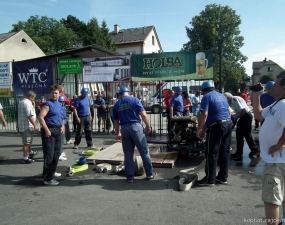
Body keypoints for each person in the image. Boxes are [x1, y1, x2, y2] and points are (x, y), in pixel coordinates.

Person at [252, 73, 285, 225]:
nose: (271, 89)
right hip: (276, 160)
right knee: (280, 196)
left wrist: (278, 145)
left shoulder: (284, 105)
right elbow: (258, 116)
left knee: (271, 199)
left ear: (283, 89)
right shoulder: (276, 104)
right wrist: (257, 96)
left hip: (278, 161)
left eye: (275, 86)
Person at [113, 86, 156, 183]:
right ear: (128, 92)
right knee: (144, 151)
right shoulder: (134, 100)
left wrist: (118, 133)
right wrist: (148, 126)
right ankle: (150, 173)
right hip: (135, 127)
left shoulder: (116, 105)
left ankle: (130, 177)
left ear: (120, 94)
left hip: (124, 128)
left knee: (128, 154)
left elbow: (115, 122)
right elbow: (143, 114)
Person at [196, 81, 232, 186]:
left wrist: (199, 130)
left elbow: (204, 114)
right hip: (228, 123)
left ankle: (209, 179)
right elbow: (228, 112)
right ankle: (223, 177)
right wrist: (204, 129)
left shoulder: (206, 97)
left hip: (217, 126)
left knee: (211, 153)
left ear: (204, 91)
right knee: (224, 152)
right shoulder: (222, 96)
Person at [38, 84, 64, 186]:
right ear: (50, 94)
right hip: (49, 131)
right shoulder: (47, 104)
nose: (54, 94)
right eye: (53, 93)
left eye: (56, 93)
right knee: (49, 155)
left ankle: (51, 172)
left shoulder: (60, 105)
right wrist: (47, 130)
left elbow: (61, 118)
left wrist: (62, 126)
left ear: (59, 94)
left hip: (58, 131)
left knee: (56, 155)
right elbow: (41, 117)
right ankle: (47, 178)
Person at [223, 92, 259, 160]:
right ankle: (240, 152)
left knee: (246, 134)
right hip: (243, 116)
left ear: (228, 98)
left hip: (246, 116)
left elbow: (243, 110)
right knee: (239, 134)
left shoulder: (235, 99)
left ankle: (253, 150)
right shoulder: (231, 102)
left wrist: (236, 117)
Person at [17, 91, 39, 163]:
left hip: (23, 125)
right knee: (26, 142)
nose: (34, 100)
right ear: (30, 97)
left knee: (28, 141)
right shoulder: (27, 103)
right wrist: (35, 125)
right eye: (34, 98)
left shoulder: (22, 101)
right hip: (27, 125)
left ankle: (30, 152)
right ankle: (25, 158)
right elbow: (29, 115)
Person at [58, 96, 68, 161]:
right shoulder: (58, 108)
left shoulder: (63, 107)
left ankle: (61, 151)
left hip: (64, 122)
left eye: (63, 101)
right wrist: (62, 126)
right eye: (60, 102)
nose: (62, 103)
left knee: (62, 139)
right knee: (60, 139)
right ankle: (59, 154)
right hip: (60, 123)